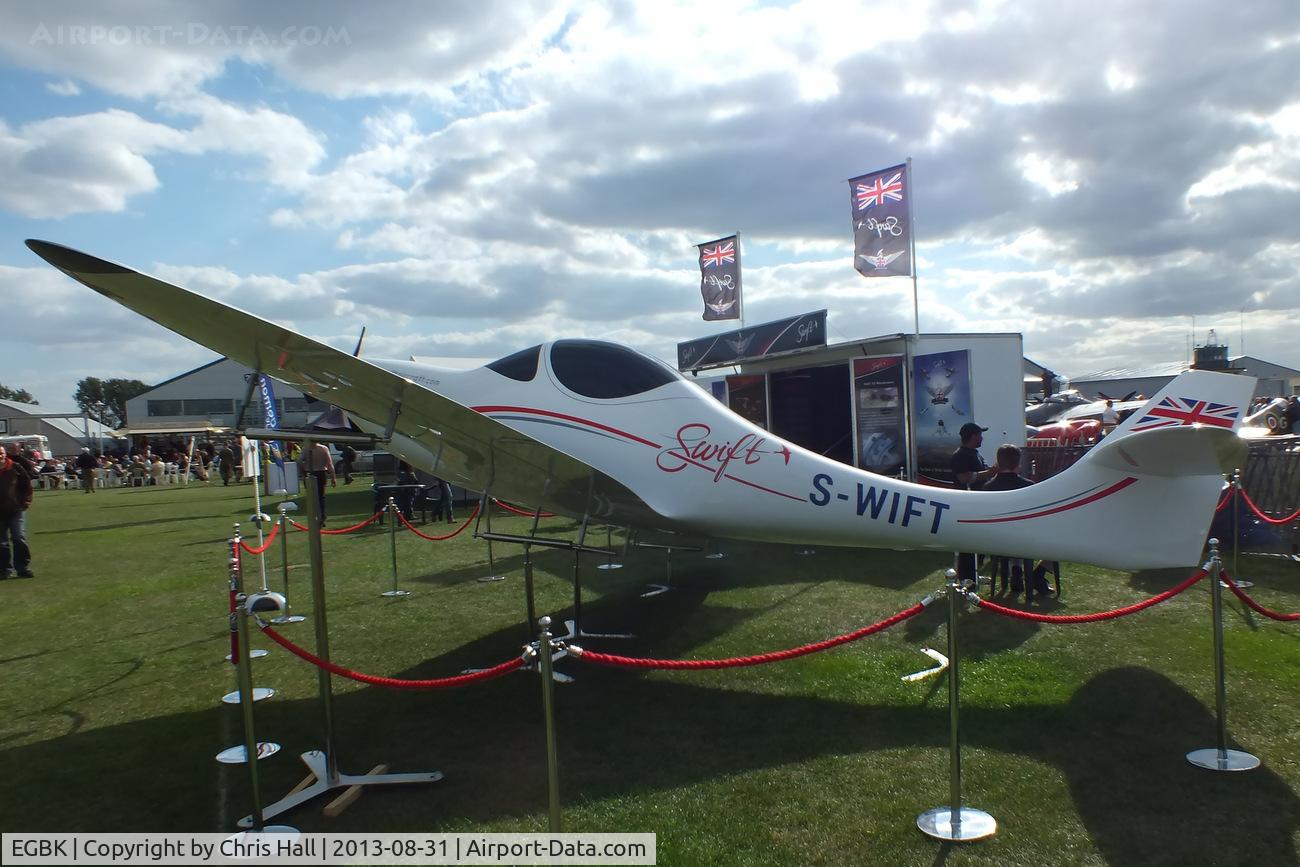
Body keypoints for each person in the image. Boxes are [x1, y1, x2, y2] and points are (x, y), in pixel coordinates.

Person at [981, 444, 1036, 595]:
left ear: (998, 463)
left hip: (997, 539)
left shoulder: (987, 487)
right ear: (1018, 464)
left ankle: (1013, 571)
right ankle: (1019, 570)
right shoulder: (1029, 486)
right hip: (1023, 538)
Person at [950, 422, 997, 586]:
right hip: (966, 505)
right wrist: (989, 473)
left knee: (979, 543)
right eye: (979, 434)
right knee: (968, 543)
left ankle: (974, 575)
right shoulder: (960, 455)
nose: (982, 437)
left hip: (978, 503)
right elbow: (963, 477)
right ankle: (966, 577)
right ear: (972, 436)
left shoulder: (974, 453)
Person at [0, 444, 35, 578]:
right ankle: (4, 569)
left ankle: (22, 567)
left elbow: (26, 484)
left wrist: (25, 502)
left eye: (1, 453)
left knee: (19, 538)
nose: (0, 456)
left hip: (16, 509)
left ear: (5, 454)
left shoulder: (15, 467)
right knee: (1, 543)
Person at [299, 441, 337, 522]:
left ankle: (314, 516)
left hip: (309, 472)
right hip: (321, 472)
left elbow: (300, 462)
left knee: (311, 497)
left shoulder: (305, 449)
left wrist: (303, 472)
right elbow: (329, 464)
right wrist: (333, 477)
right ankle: (322, 516)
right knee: (321, 496)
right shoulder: (323, 448)